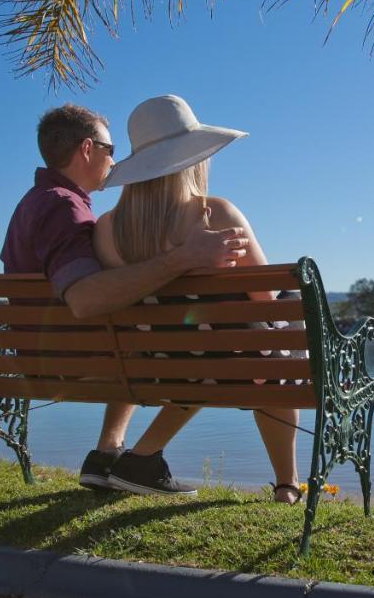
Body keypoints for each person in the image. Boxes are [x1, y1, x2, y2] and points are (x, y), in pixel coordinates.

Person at [0, 103, 249, 496]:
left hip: (40, 353)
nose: (114, 160)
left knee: (136, 329)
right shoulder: (64, 208)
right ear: (86, 149)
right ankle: (141, 460)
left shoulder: (35, 202)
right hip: (72, 360)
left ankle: (107, 453)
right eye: (109, 149)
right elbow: (83, 299)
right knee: (202, 344)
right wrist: (183, 257)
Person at [93, 95, 301, 504]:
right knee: (282, 326)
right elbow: (266, 300)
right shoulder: (216, 213)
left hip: (157, 365)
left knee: (239, 346)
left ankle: (143, 455)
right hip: (230, 363)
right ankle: (287, 485)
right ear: (192, 158)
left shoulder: (105, 230)